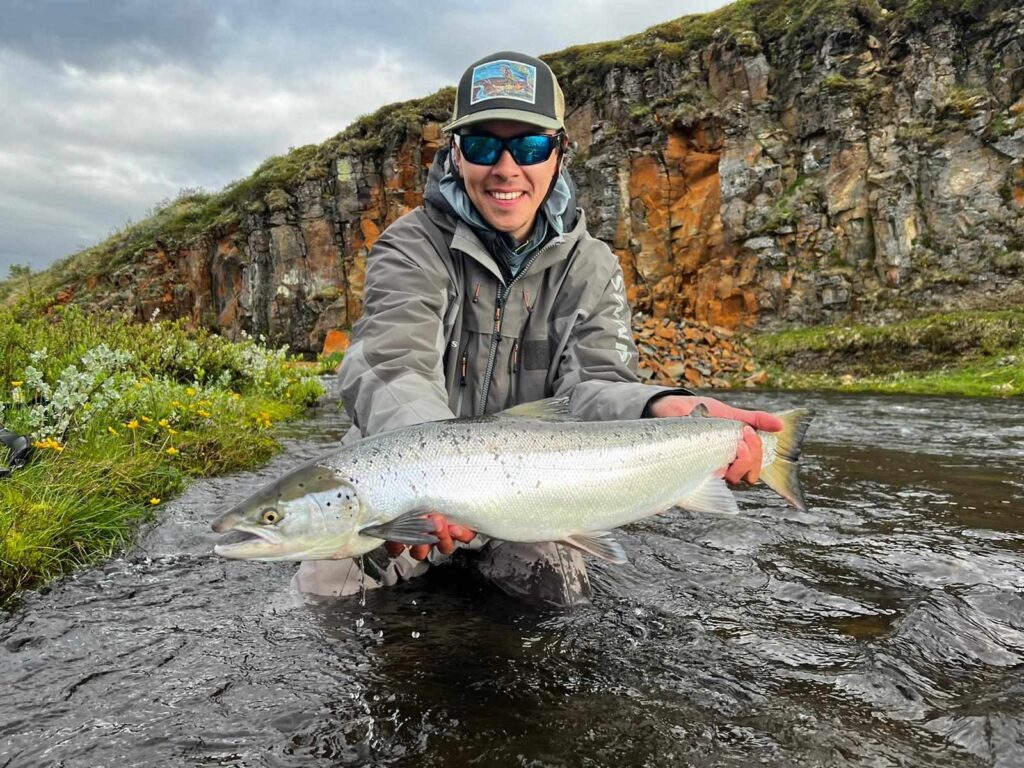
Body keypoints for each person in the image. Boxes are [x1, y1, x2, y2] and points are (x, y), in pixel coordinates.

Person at [293, 51, 782, 606]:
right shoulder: (409, 246)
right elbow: (389, 366)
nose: (506, 168)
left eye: (528, 146)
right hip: (399, 486)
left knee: (558, 598)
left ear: (558, 154)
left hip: (538, 489)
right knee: (325, 593)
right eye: (482, 144)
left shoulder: (592, 265)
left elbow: (595, 382)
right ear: (455, 152)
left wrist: (657, 405)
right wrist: (431, 480)